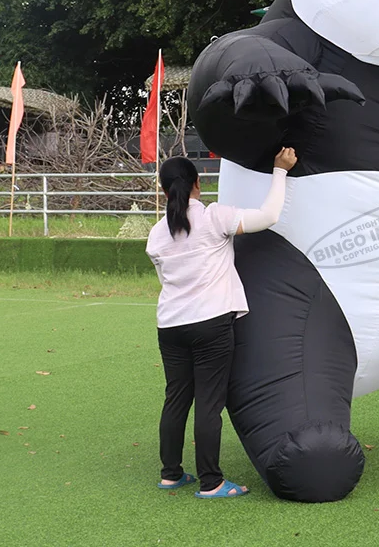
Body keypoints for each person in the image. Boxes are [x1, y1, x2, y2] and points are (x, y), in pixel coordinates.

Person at [146, 148, 297, 498]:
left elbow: (165, 279)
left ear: (164, 190)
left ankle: (171, 474)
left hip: (170, 325)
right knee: (209, 403)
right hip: (211, 323)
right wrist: (279, 170)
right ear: (198, 183)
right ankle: (211, 482)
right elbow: (269, 215)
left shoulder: (156, 234)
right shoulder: (214, 217)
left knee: (176, 399)